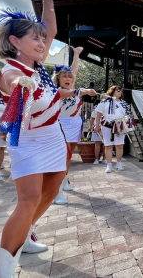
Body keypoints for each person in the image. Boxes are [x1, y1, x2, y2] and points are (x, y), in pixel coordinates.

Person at [0, 0, 94, 277]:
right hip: (28, 141)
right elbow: (9, 83)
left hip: (54, 138)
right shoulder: (11, 68)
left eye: (41, 39)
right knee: (30, 198)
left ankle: (28, 233)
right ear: (14, 41)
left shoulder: (38, 63)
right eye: (33, 38)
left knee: (50, 192)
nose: (40, 41)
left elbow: (50, 26)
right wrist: (20, 83)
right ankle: (3, 268)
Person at [53, 46, 96, 204]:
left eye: (69, 77)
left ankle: (64, 180)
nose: (68, 78)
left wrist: (77, 54)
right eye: (64, 76)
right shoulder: (58, 91)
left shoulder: (73, 88)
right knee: (61, 157)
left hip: (75, 124)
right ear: (58, 79)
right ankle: (56, 191)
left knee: (68, 156)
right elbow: (77, 91)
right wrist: (85, 91)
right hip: (61, 124)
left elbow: (74, 71)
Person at [94, 85, 131, 173]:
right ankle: (109, 165)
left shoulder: (124, 103)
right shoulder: (104, 102)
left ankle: (119, 163)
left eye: (120, 91)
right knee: (108, 145)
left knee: (119, 145)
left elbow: (127, 115)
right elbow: (98, 114)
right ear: (112, 91)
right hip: (107, 125)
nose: (120, 92)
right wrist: (97, 125)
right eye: (118, 91)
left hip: (120, 125)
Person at [89, 93, 107, 165]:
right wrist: (90, 126)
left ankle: (105, 158)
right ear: (101, 99)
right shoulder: (97, 108)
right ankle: (96, 159)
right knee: (97, 143)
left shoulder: (109, 108)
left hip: (105, 128)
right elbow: (92, 118)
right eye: (104, 98)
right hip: (97, 128)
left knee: (106, 144)